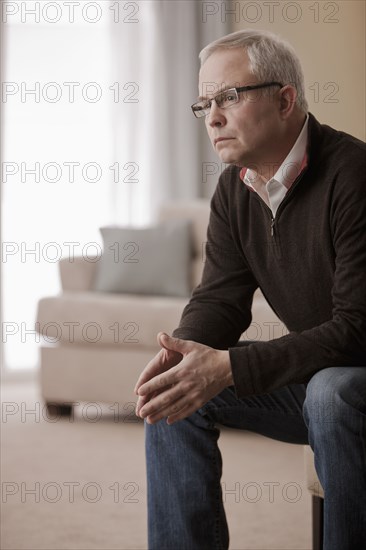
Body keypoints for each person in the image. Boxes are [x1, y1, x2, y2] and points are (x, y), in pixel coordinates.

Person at [134, 29, 366, 550]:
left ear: (285, 100)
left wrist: (233, 366)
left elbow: (356, 329)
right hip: (318, 373)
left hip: (353, 378)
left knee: (332, 391)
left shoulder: (354, 176)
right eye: (205, 103)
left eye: (229, 97)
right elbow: (219, 298)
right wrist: (183, 354)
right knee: (180, 390)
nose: (212, 117)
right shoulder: (233, 189)